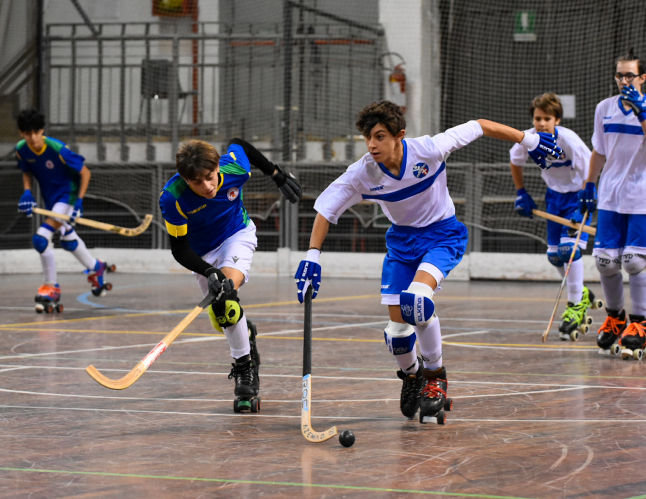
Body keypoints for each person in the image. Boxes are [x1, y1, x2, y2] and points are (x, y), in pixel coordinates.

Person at [294, 100, 562, 424]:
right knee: (396, 333)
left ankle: (436, 376)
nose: (372, 145)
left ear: (399, 135)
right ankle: (412, 376)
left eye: (380, 136)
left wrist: (526, 138)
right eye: (368, 138)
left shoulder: (429, 150)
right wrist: (312, 255)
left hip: (442, 236)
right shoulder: (364, 173)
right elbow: (327, 209)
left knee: (417, 302)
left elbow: (479, 125)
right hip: (402, 244)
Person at [160, 138, 301, 410]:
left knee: (226, 300)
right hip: (201, 255)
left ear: (217, 168)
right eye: (196, 182)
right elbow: (179, 250)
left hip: (236, 235)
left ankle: (245, 369)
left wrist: (276, 174)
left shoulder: (234, 169)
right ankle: (245, 332)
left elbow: (238, 143)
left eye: (210, 178)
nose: (207, 187)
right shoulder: (172, 197)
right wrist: (207, 270)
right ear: (185, 179)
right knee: (224, 316)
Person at [510, 93, 600, 341]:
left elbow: (589, 170)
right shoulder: (529, 139)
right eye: (537, 118)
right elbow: (514, 159)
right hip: (554, 198)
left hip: (578, 195)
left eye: (547, 118)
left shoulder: (568, 140)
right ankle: (581, 292)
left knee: (568, 250)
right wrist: (521, 192)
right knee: (553, 256)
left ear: (557, 120)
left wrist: (585, 201)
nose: (541, 123)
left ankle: (574, 308)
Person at [579, 50, 646, 358]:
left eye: (629, 75)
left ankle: (640, 322)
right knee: (605, 261)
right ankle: (616, 317)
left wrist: (642, 112)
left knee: (634, 261)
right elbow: (599, 151)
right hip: (609, 195)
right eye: (619, 75)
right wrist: (589, 184)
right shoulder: (604, 107)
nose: (623, 81)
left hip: (640, 195)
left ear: (642, 77)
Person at [16, 109, 112, 313]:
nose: (32, 137)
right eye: (27, 133)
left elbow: (85, 173)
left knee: (40, 239)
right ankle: (96, 267)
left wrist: (78, 202)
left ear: (41, 130)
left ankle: (51, 287)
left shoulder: (58, 149)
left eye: (35, 132)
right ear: (21, 133)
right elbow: (26, 172)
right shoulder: (22, 150)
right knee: (68, 241)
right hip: (50, 199)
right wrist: (27, 192)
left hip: (68, 196)